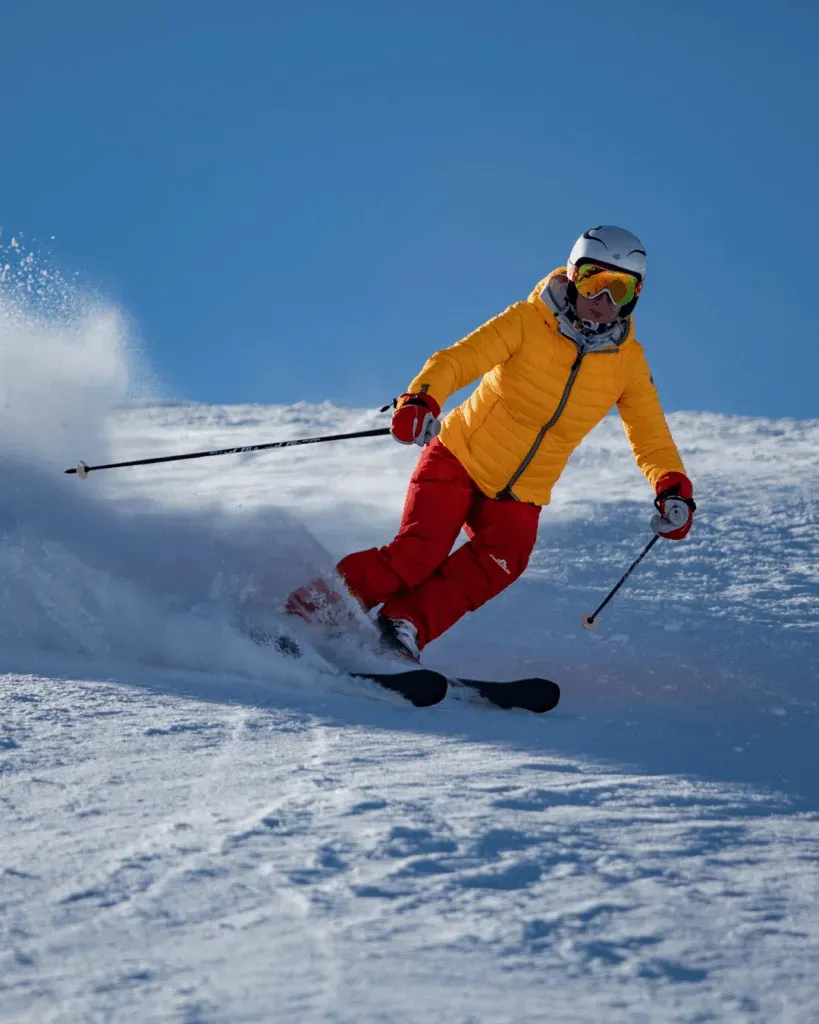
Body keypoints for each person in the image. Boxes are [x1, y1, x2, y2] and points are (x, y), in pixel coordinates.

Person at [287, 226, 695, 661]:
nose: (604, 300)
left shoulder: (628, 363)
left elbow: (650, 432)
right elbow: (458, 359)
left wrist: (672, 488)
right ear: (574, 276)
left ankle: (401, 626)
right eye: (595, 282)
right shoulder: (527, 321)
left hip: (522, 493)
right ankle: (309, 612)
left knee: (502, 560)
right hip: (459, 458)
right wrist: (421, 400)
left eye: (621, 288)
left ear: (635, 295)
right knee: (417, 554)